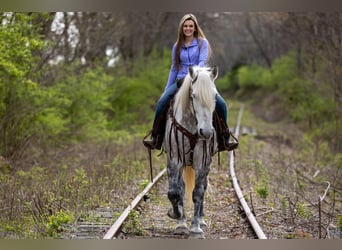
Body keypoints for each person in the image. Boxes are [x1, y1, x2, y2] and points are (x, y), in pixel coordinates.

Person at [143, 13, 238, 152]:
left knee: (222, 105)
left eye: (190, 26)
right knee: (161, 102)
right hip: (181, 80)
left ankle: (224, 140)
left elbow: (201, 62)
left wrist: (196, 75)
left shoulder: (202, 42)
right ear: (182, 28)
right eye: (185, 26)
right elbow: (174, 68)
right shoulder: (177, 46)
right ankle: (156, 138)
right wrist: (167, 88)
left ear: (195, 28)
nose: (188, 28)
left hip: (199, 80)